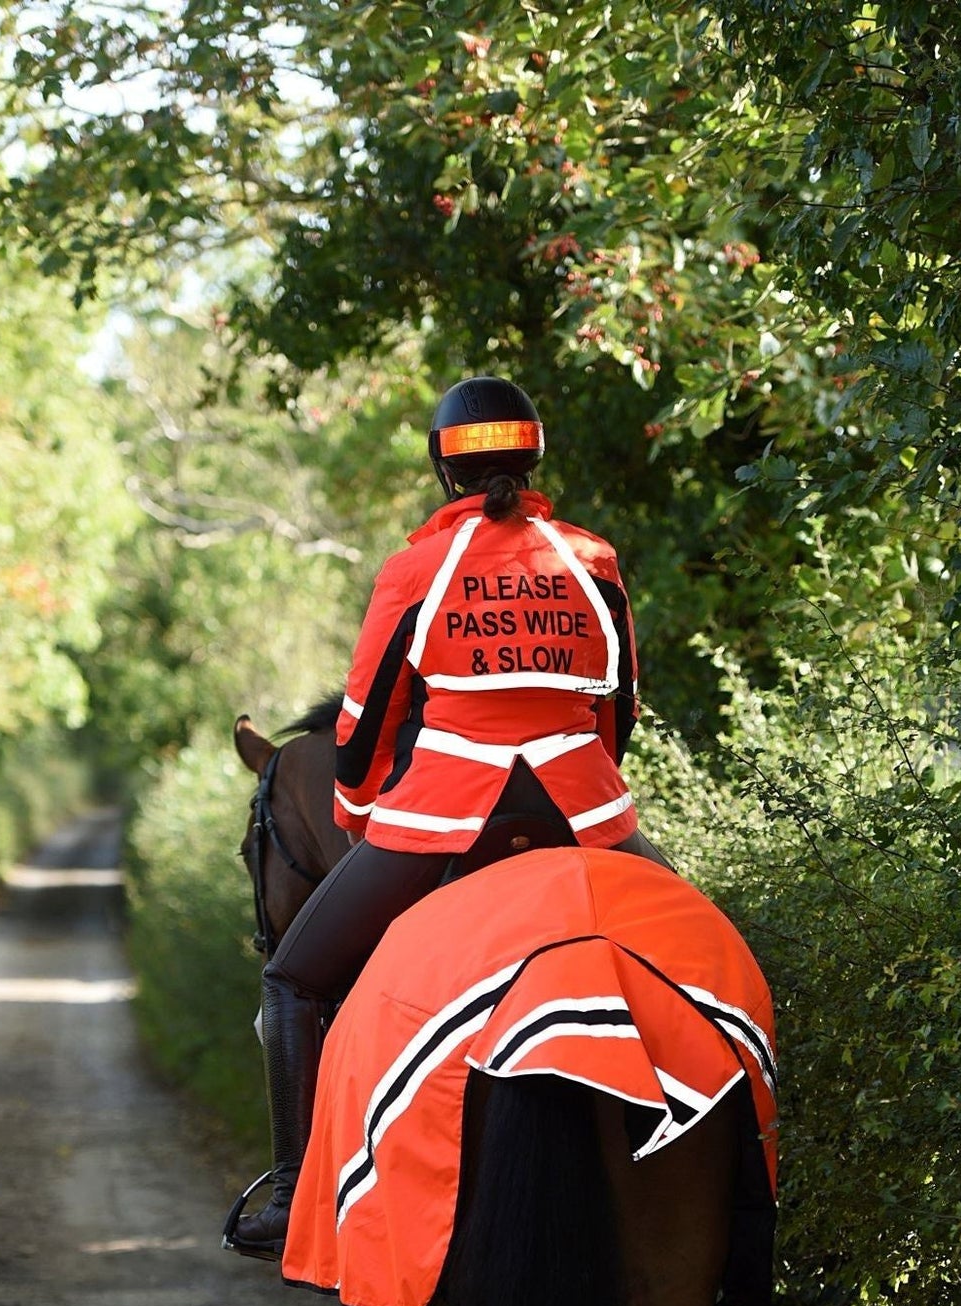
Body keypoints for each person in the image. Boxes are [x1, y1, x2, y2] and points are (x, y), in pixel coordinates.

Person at [226, 375, 665, 1261]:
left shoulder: (417, 568)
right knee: (714, 966)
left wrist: (358, 820)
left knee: (294, 983)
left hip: (441, 821)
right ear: (533, 456)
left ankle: (294, 1194)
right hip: (585, 812)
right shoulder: (591, 558)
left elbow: (359, 732)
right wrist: (588, 799)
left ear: (442, 466)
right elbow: (618, 709)